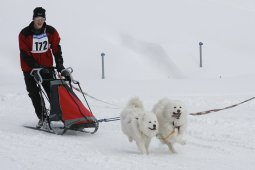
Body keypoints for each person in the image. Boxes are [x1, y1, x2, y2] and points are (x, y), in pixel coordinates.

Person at [18, 7, 70, 128]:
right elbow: (24, 53)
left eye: (42, 19)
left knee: (52, 92)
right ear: (33, 19)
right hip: (30, 70)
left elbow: (56, 49)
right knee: (34, 93)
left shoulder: (51, 31)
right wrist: (35, 67)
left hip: (47, 68)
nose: (40, 21)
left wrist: (60, 65)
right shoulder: (24, 34)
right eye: (38, 18)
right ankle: (42, 117)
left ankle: (60, 115)